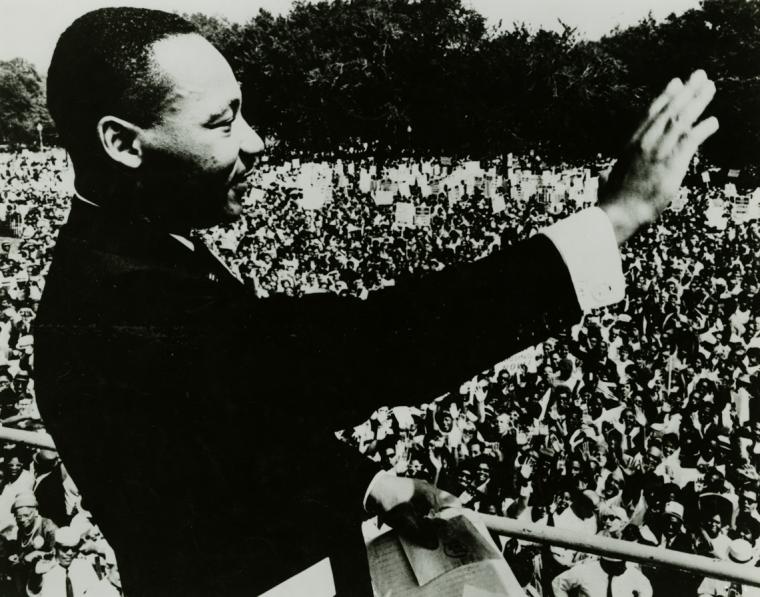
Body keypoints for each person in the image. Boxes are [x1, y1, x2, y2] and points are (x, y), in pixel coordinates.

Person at [33, 6, 718, 597]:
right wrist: (614, 219)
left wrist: (367, 484)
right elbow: (377, 344)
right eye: (221, 122)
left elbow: (235, 432)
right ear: (123, 142)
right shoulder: (122, 299)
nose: (255, 141)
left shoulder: (138, 249)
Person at [27, 526, 120, 597]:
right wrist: (36, 575)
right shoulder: (45, 568)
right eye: (65, 549)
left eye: (74, 549)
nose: (70, 553)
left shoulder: (84, 566)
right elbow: (33, 592)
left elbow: (96, 592)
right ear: (55, 548)